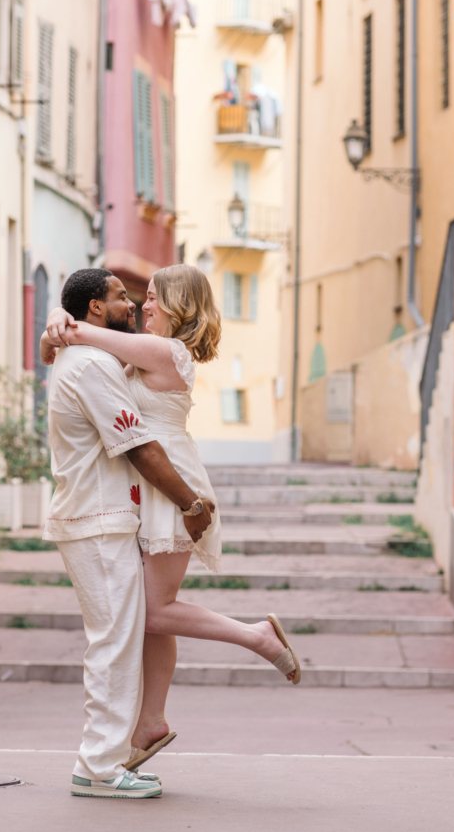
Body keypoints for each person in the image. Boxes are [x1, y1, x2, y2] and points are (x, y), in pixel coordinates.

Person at [42, 264, 302, 774]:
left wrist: (60, 317)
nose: (144, 306)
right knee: (150, 613)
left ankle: (257, 637)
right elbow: (71, 340)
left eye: (155, 297)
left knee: (153, 612)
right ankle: (150, 722)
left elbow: (76, 332)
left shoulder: (165, 351)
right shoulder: (138, 351)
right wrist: (59, 319)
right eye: (138, 297)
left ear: (179, 304)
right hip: (151, 488)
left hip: (173, 485)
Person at [43, 268, 213, 800]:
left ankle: (105, 760)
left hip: (104, 517)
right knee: (113, 643)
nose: (135, 305)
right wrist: (190, 503)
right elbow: (138, 444)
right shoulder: (93, 364)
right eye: (122, 297)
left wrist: (57, 324)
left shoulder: (93, 354)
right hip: (97, 518)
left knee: (116, 639)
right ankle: (99, 768)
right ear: (95, 308)